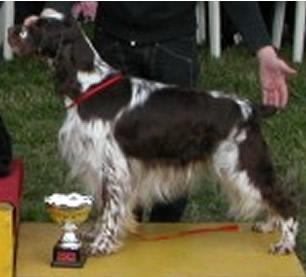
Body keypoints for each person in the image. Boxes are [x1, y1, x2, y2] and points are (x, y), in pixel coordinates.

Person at [24, 2, 296, 222]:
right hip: (114, 41)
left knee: (181, 148)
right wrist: (51, 15)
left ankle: (165, 240)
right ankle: (120, 225)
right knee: (112, 162)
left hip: (172, 44)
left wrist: (263, 49)